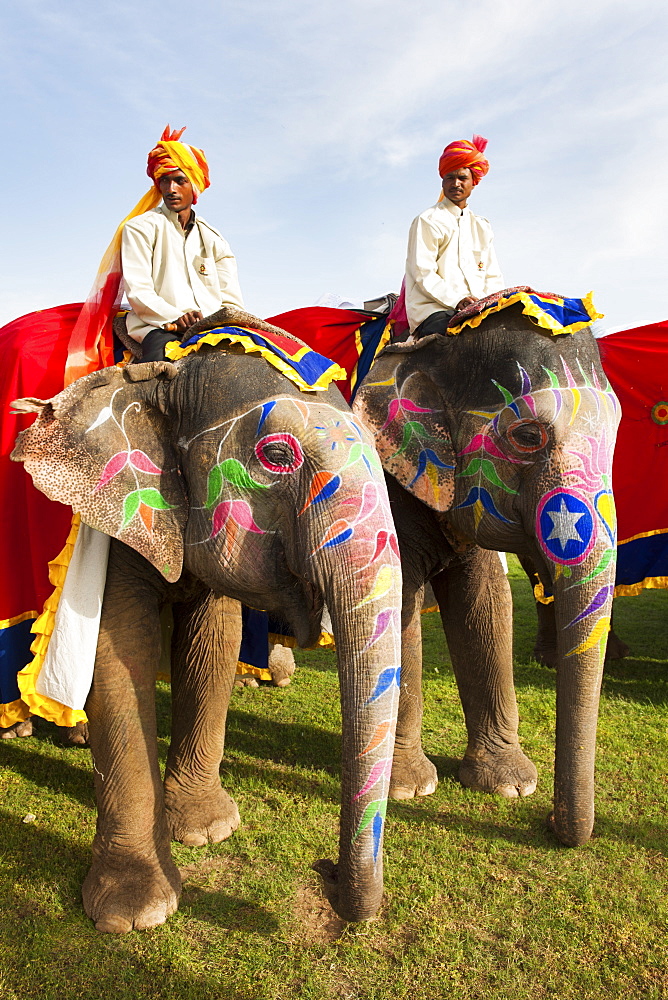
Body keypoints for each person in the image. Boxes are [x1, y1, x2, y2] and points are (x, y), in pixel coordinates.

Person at [121, 127, 244, 361]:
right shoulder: (139, 228)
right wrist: (176, 317)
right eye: (165, 181)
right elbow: (139, 292)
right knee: (158, 380)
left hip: (212, 331)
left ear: (194, 186)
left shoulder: (215, 240)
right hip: (159, 327)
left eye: (179, 181)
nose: (171, 189)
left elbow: (231, 300)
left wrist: (224, 322)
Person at [404, 134, 504, 338]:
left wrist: (486, 304)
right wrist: (458, 299)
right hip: (434, 311)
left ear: (473, 182)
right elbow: (422, 272)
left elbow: (492, 275)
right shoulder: (428, 220)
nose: (456, 183)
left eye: (462, 178)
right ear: (442, 181)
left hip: (477, 310)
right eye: (450, 177)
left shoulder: (482, 226)